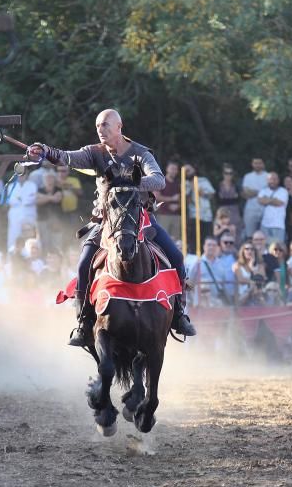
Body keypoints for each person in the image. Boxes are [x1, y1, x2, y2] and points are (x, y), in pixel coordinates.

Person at [27, 108, 197, 342]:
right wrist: (44, 151)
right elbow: (66, 157)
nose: (100, 130)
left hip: (141, 220)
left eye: (105, 125)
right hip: (106, 222)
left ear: (119, 127)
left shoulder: (140, 153)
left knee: (176, 258)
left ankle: (179, 314)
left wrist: (128, 183)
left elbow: (158, 179)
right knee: (83, 264)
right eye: (98, 126)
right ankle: (84, 322)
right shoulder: (93, 153)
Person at [257, 172, 289, 246]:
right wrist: (273, 200)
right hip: (264, 225)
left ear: (278, 180)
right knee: (264, 248)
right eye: (270, 179)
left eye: (274, 179)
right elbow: (260, 200)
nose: (272, 181)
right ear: (267, 180)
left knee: (278, 248)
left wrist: (266, 199)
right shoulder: (263, 190)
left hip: (278, 225)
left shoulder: (283, 191)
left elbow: (279, 203)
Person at [240, 157, 269, 239]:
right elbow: (246, 193)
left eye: (259, 163)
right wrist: (261, 191)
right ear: (252, 164)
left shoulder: (268, 176)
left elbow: (268, 194)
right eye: (255, 163)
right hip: (250, 210)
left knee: (264, 236)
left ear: (263, 164)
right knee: (250, 235)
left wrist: (253, 192)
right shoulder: (248, 176)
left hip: (265, 210)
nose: (257, 165)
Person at [155, 160, 183, 241]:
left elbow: (184, 198)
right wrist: (172, 199)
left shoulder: (179, 183)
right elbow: (156, 196)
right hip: (163, 214)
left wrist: (178, 205)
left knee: (176, 240)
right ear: (167, 169)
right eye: (172, 168)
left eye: (176, 169)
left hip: (176, 215)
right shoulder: (161, 181)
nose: (174, 171)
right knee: (163, 239)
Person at [216, 164, 243, 236]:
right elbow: (217, 200)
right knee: (221, 232)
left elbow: (238, 200)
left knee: (235, 233)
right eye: (226, 173)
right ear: (223, 174)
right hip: (222, 212)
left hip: (234, 212)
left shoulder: (236, 186)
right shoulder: (218, 185)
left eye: (230, 173)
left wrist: (226, 200)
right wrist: (231, 199)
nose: (228, 175)